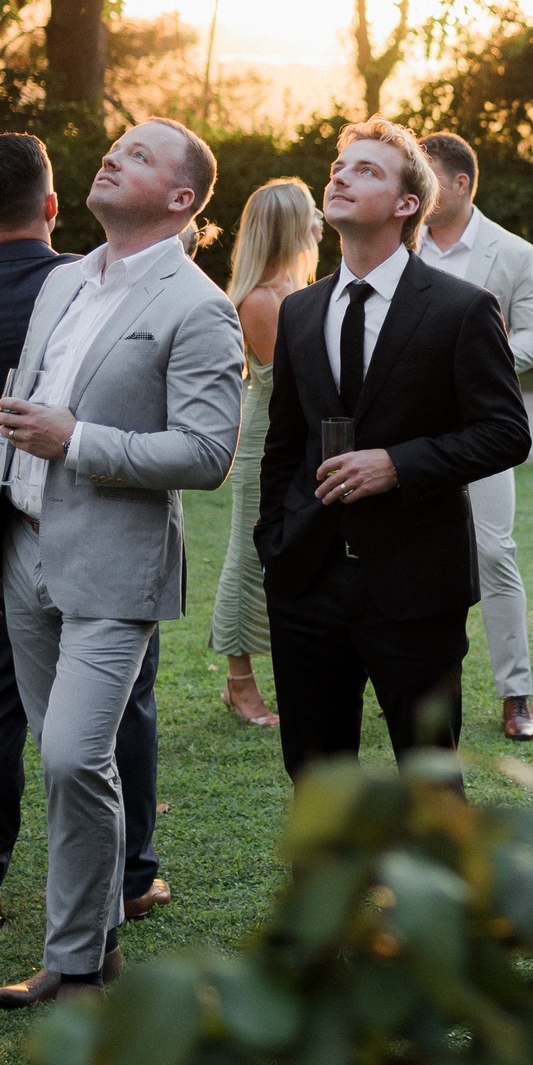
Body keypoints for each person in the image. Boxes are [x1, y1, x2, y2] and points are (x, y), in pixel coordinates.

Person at [0, 119, 245, 1008]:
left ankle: (82, 949)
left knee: (78, 756)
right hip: (27, 552)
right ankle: (84, 956)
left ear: (182, 198)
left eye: (142, 154)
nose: (115, 154)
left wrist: (78, 439)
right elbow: (15, 419)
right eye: (117, 144)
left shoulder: (200, 307)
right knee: (60, 755)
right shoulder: (62, 282)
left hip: (117, 566)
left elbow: (206, 452)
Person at [0, 134, 177, 932]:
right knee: (125, 705)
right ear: (53, 205)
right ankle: (131, 877)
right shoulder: (100, 290)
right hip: (102, 528)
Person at [254, 118, 533, 776]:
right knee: (316, 781)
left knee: (429, 780)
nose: (341, 175)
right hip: (307, 579)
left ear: (408, 204)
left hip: (415, 585)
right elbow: (282, 443)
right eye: (339, 165)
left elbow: (506, 432)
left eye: (366, 170)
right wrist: (277, 542)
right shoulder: (299, 310)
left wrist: (397, 464)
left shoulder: (462, 308)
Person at [416, 132, 533, 741]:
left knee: (494, 553)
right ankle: (416, 688)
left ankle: (516, 695)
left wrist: (481, 364)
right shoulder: (400, 243)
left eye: (426, 175)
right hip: (410, 426)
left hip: (484, 425)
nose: (414, 188)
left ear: (461, 183)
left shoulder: (513, 252)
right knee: (407, 553)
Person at [209, 178, 323, 726]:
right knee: (249, 550)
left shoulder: (295, 291)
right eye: (311, 214)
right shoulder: (261, 299)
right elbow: (292, 381)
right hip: (264, 438)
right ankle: (239, 681)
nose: (321, 221)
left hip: (297, 433)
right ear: (289, 227)